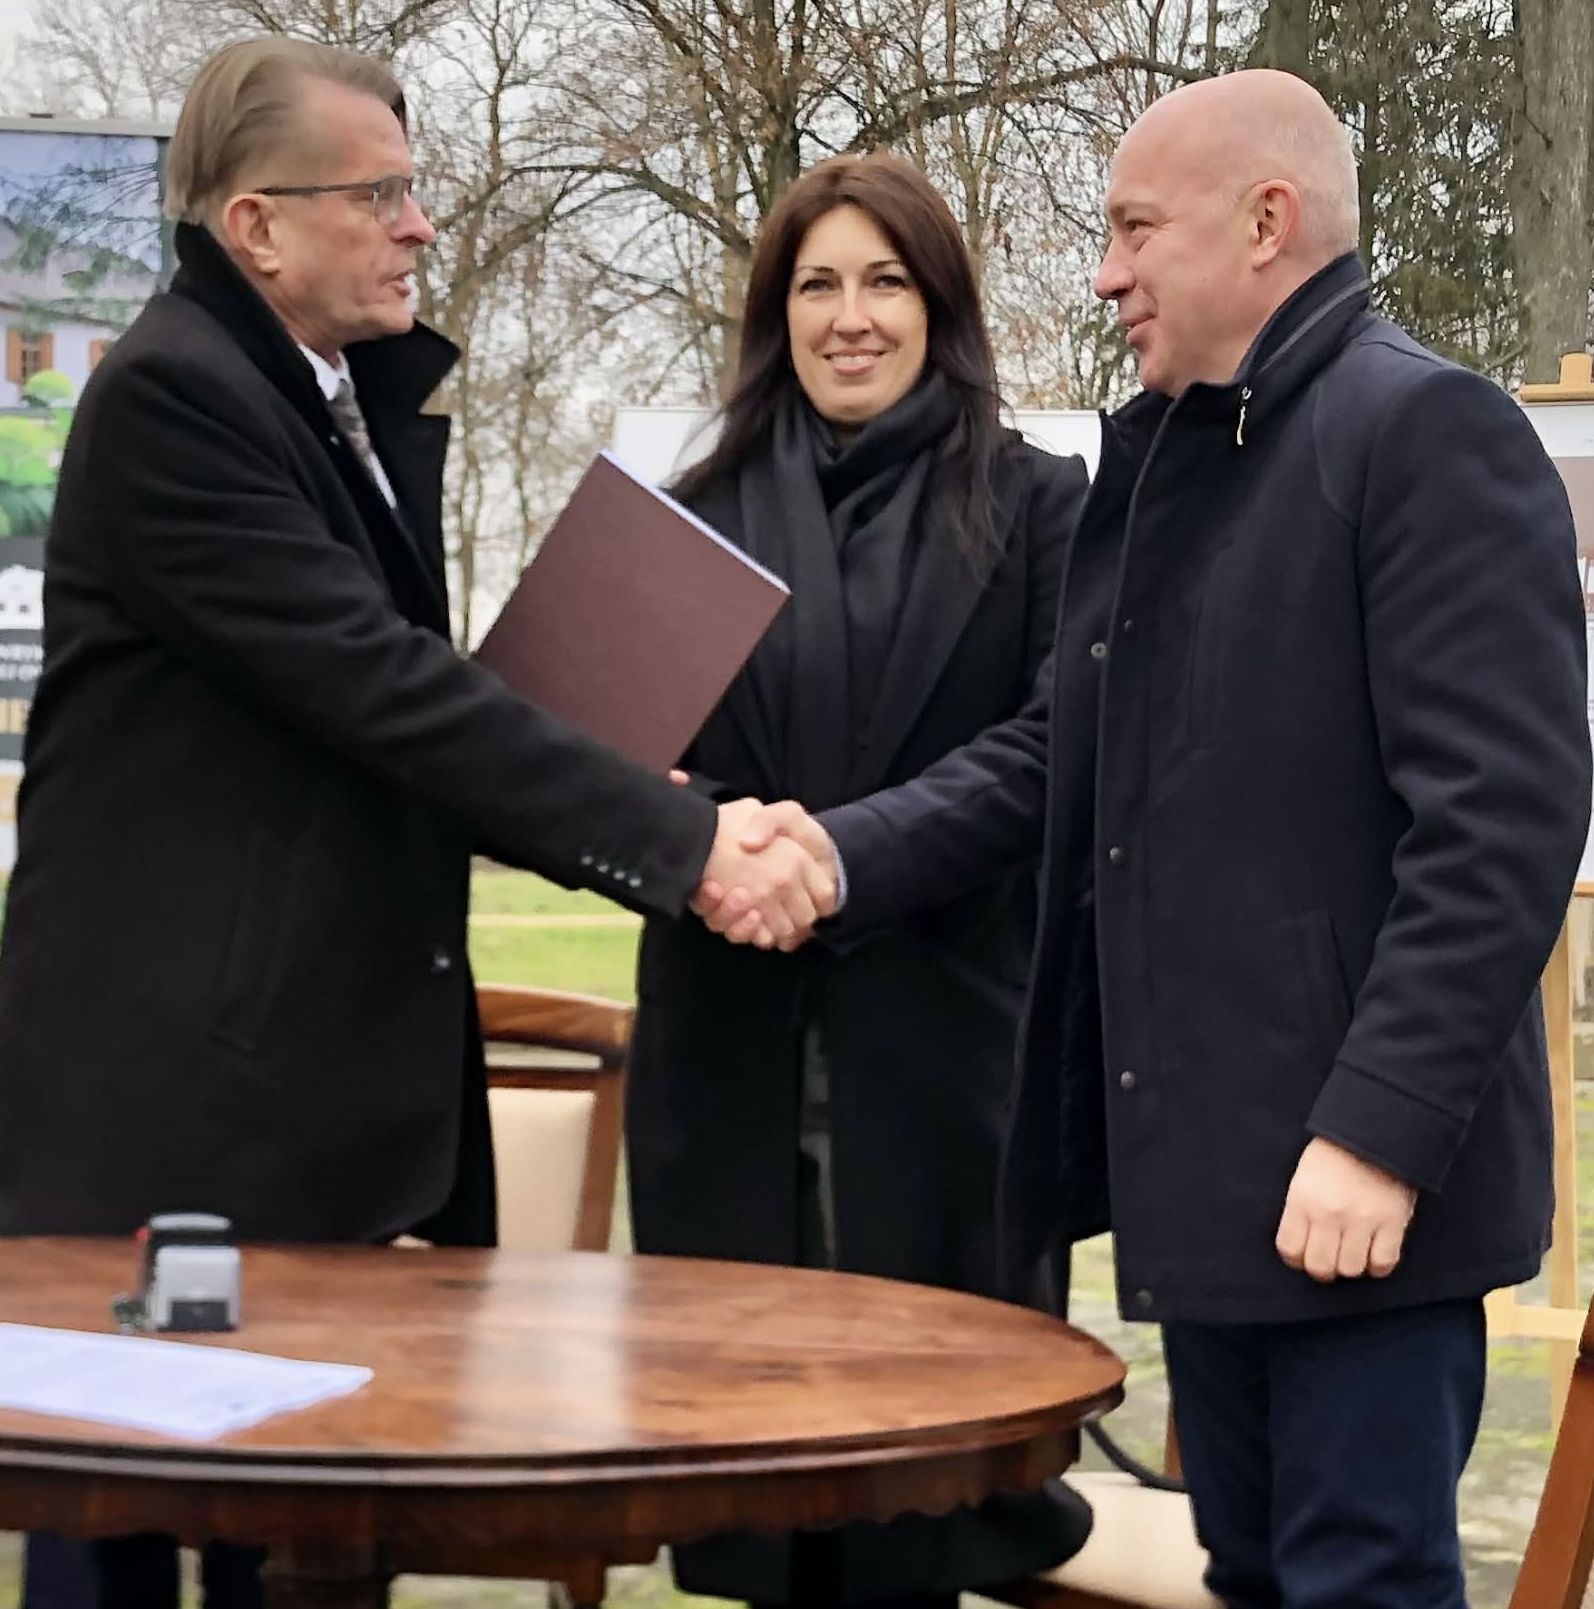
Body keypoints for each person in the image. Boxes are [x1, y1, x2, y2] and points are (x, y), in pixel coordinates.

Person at [723, 70, 1592, 1607]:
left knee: (1358, 1584)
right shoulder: (1178, 463)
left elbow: (1500, 822)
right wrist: (835, 850)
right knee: (1253, 1576)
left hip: (1354, 1198)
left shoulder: (1421, 430)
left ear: (1265, 222)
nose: (1104, 273)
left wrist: (1376, 1134)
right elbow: (1063, 761)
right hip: (1214, 1183)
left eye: (1133, 230)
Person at [0, 36, 829, 1609]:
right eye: (376, 194)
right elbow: (384, 690)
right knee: (125, 1528)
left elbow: (377, 724)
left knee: (309, 1524)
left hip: (282, 1106)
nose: (418, 224)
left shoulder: (317, 401)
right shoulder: (178, 397)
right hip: (177, 1120)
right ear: (255, 225)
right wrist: (688, 847)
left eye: (412, 188)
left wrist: (651, 804)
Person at [624, 151, 1091, 1608]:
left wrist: (833, 861)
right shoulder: (683, 513)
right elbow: (597, 761)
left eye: (885, 281)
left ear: (939, 304)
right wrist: (712, 850)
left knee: (922, 1507)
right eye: (816, 284)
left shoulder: (1041, 507)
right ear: (776, 313)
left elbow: (1050, 754)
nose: (850, 316)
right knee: (758, 1502)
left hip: (946, 1060)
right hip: (727, 1059)